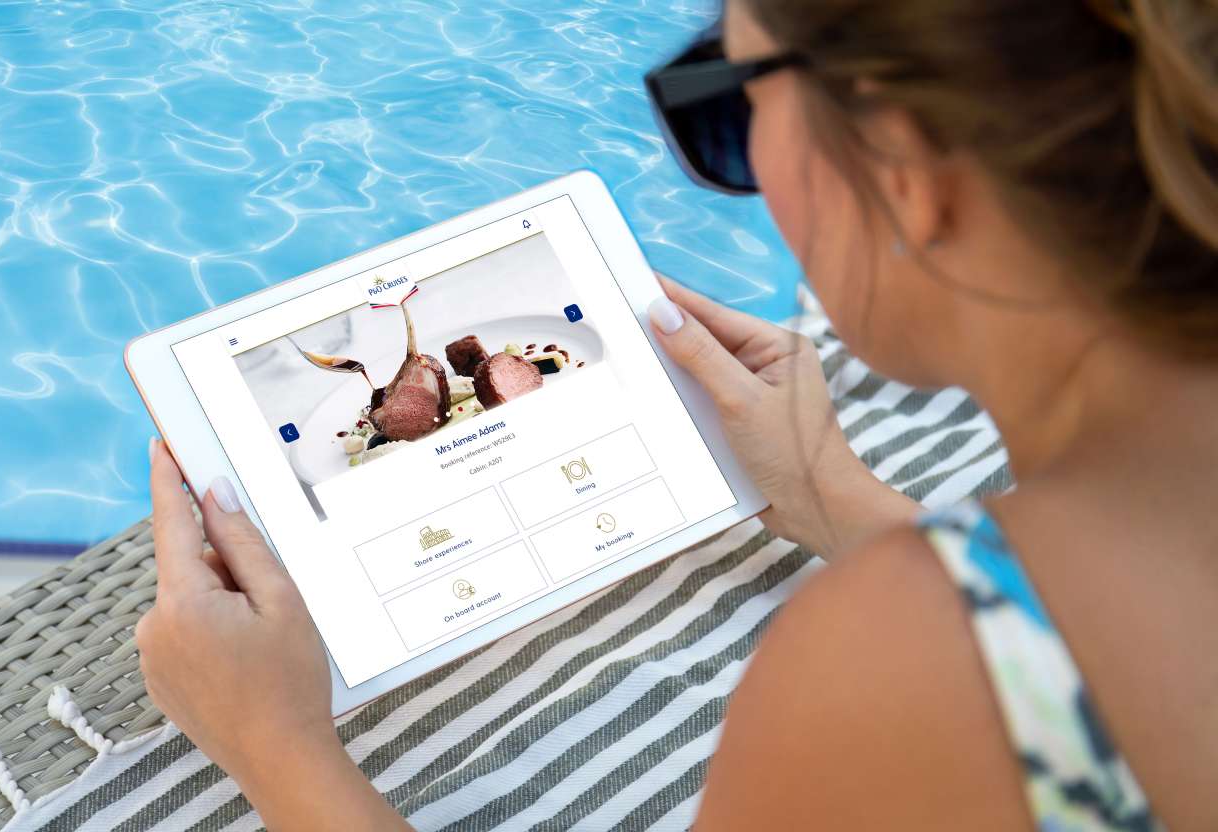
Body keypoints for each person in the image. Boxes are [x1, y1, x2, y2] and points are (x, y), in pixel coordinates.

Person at [138, 0, 1218, 827]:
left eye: (727, 104)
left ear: (902, 163)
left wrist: (278, 747)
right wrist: (827, 495)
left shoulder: (904, 662)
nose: (726, 146)